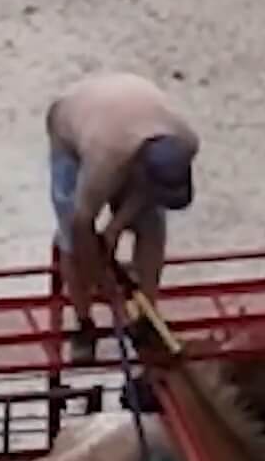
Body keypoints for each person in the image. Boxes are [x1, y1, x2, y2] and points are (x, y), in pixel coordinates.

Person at [45, 71, 198, 362]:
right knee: (71, 239)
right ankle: (84, 325)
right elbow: (81, 223)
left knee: (152, 226)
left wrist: (115, 229)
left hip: (127, 113)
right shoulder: (105, 161)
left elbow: (147, 192)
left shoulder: (187, 141)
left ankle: (147, 317)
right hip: (70, 123)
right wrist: (104, 281)